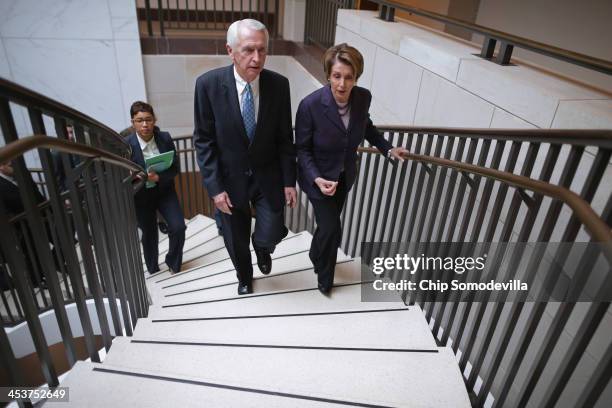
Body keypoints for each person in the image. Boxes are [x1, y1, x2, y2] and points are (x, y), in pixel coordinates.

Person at [193, 19, 297, 295]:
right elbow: (203, 142)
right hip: (229, 181)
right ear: (230, 51)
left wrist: (289, 180)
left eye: (262, 50)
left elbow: (285, 138)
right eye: (249, 50)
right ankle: (244, 277)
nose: (257, 58)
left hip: (268, 175)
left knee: (272, 230)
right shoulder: (207, 86)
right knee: (235, 240)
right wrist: (215, 189)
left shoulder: (279, 85)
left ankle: (263, 247)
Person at [295, 43, 409, 295]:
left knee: (327, 226)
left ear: (356, 77)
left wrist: (387, 148)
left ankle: (315, 253)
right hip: (317, 178)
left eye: (349, 77)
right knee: (333, 228)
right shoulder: (310, 105)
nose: (342, 84)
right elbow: (301, 149)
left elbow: (365, 125)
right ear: (328, 75)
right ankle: (325, 277)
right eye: (337, 76)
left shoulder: (362, 97)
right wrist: (316, 178)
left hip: (344, 175)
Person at [127, 101, 186, 275]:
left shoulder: (165, 138)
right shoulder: (126, 145)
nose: (144, 124)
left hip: (164, 191)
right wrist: (133, 177)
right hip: (141, 196)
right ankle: (153, 268)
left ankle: (173, 262)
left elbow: (175, 167)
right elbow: (119, 175)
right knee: (149, 234)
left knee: (178, 227)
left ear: (154, 120)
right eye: (139, 120)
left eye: (148, 119)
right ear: (133, 122)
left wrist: (159, 177)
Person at [0, 160, 49, 289]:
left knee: (66, 227)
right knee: (32, 249)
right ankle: (36, 279)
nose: (13, 166)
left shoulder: (21, 174)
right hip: (21, 225)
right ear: (1, 166)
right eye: (9, 164)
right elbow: (5, 212)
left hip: (40, 215)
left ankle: (54, 260)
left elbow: (36, 193)